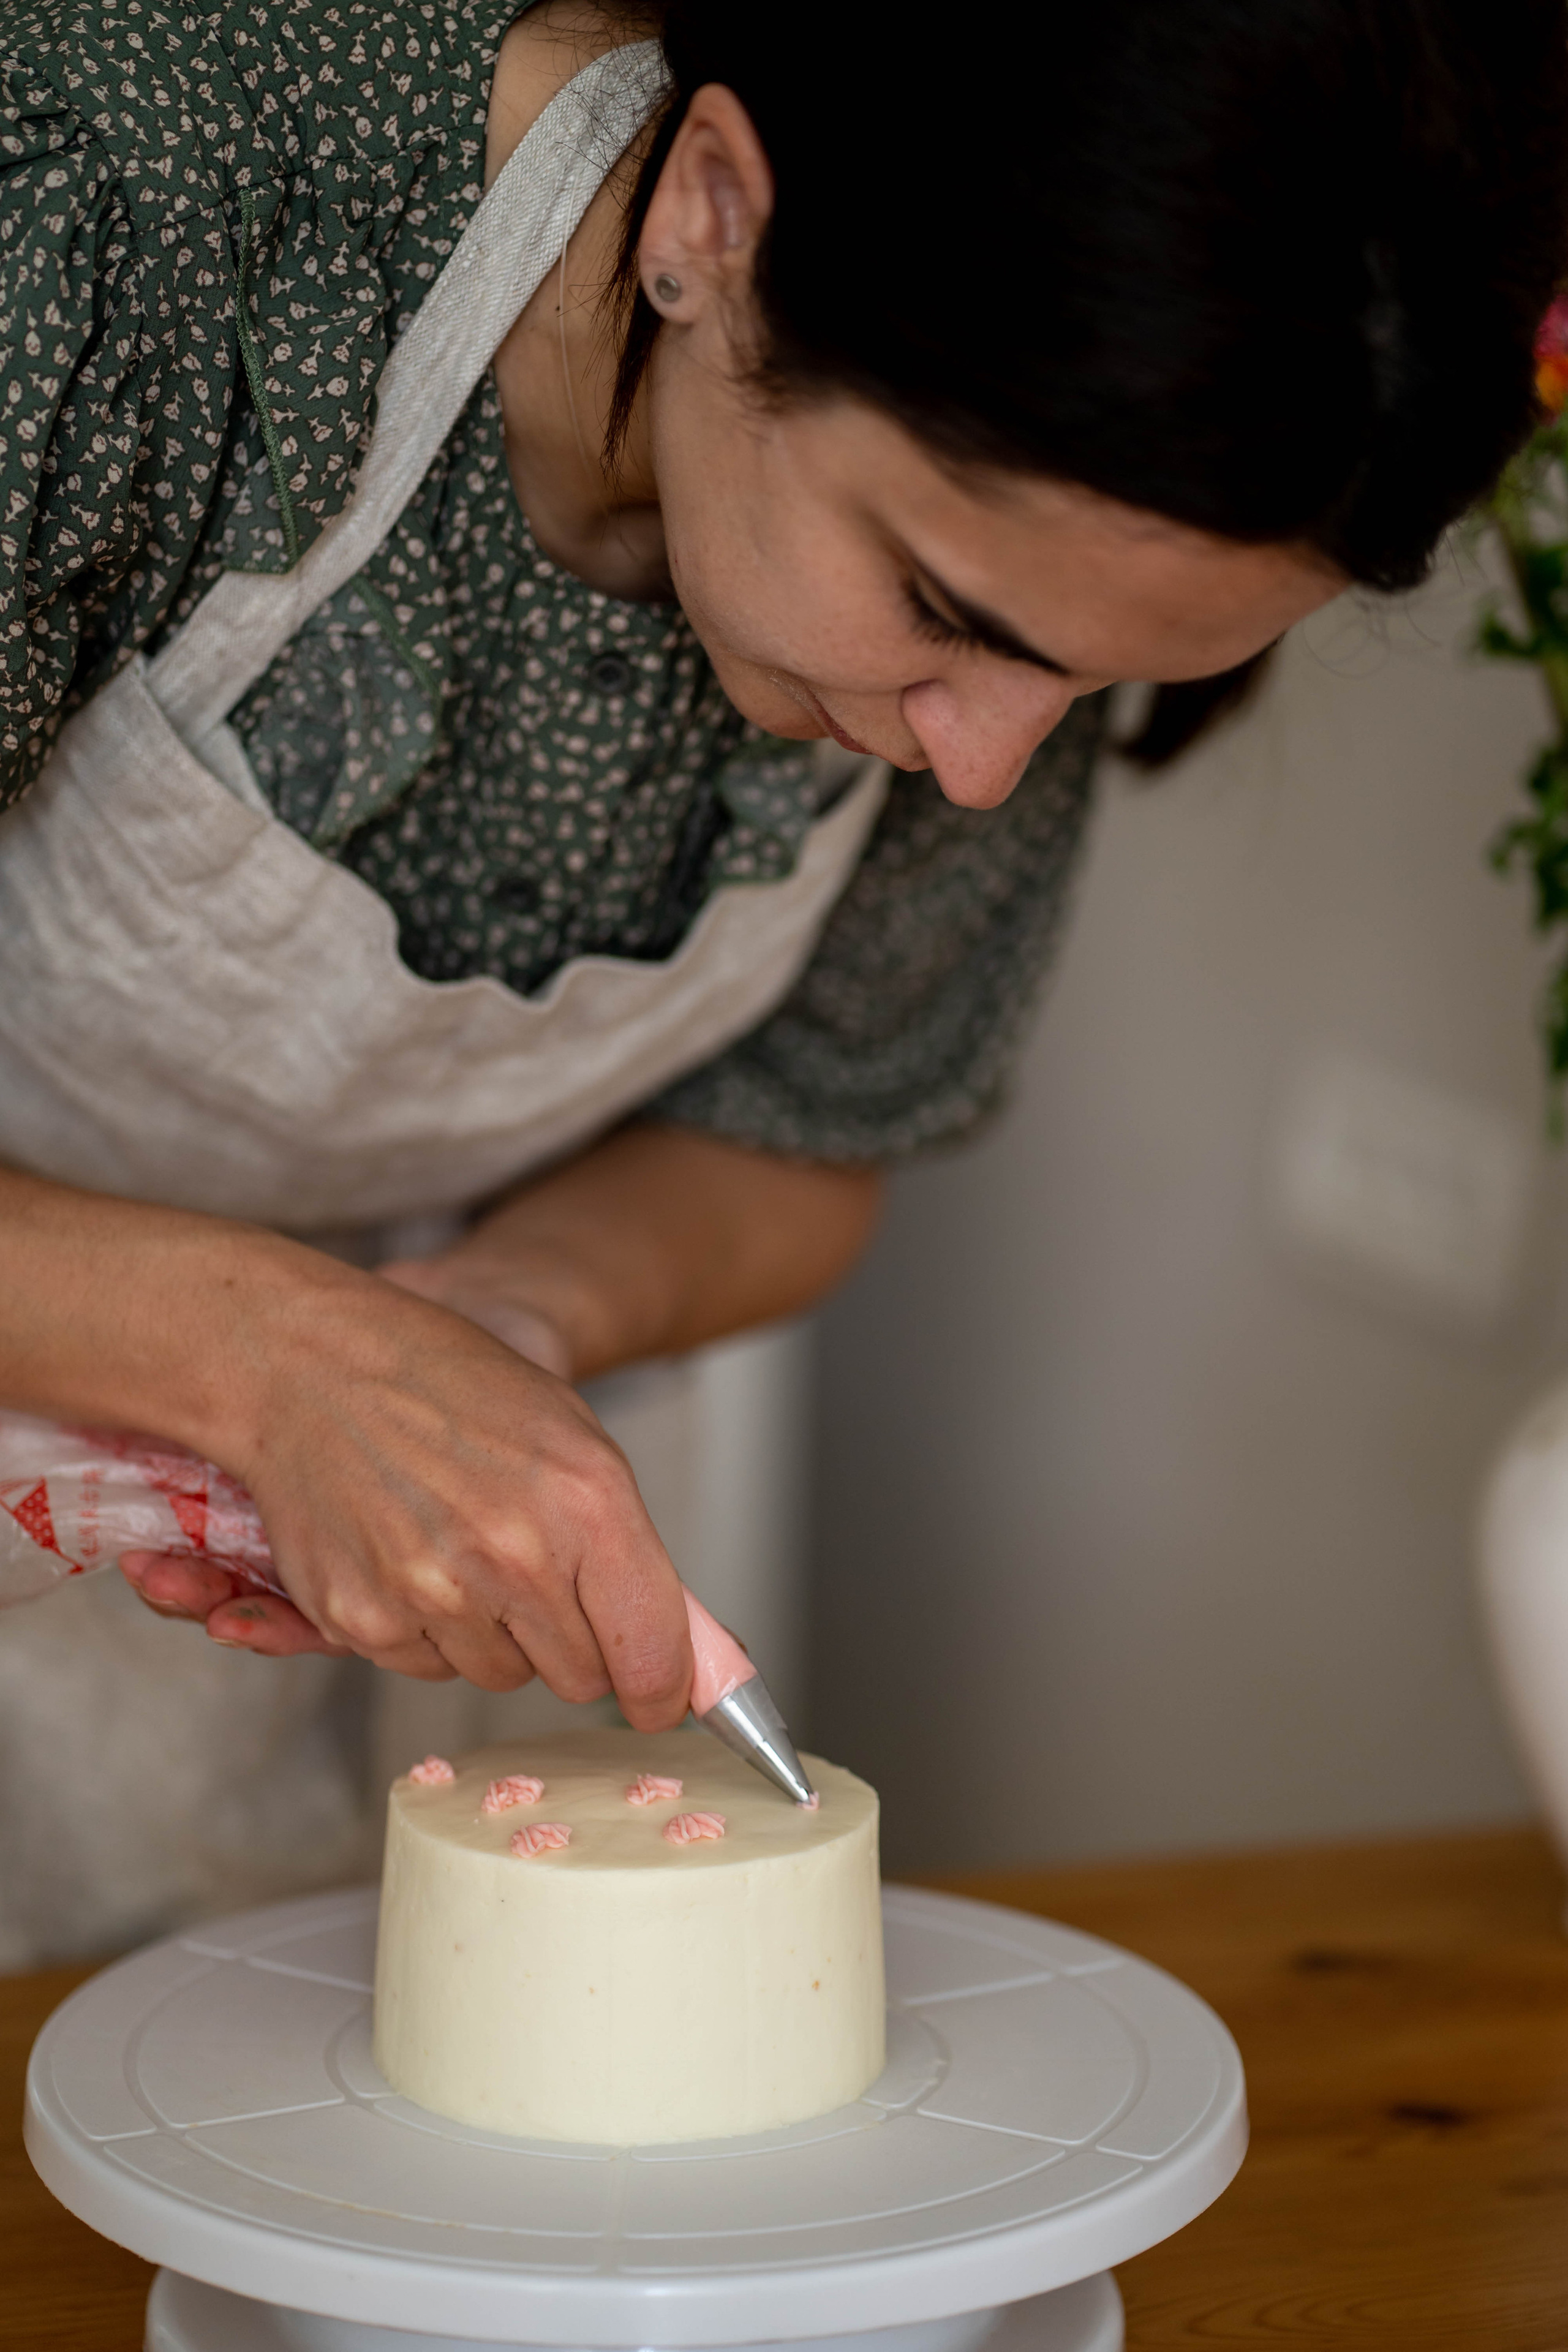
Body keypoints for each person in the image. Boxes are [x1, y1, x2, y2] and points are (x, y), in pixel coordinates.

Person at [0, 0, 1562, 1959]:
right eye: (946, 611)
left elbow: (809, 1136)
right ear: (712, 218)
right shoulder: (140, 202)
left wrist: (498, 1320)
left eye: (1088, 683)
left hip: (243, 1699)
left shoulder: (1038, 555)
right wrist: (285, 1361)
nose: (988, 760)